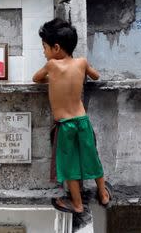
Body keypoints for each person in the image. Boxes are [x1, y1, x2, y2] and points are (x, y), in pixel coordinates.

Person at [32, 18, 112, 214]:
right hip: (82, 121)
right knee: (92, 157)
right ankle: (102, 193)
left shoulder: (51, 66)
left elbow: (35, 79)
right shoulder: (82, 63)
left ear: (56, 48)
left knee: (70, 167)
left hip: (65, 125)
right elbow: (96, 76)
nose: (44, 51)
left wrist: (52, 80)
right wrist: (82, 72)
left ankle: (77, 204)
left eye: (44, 47)